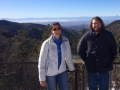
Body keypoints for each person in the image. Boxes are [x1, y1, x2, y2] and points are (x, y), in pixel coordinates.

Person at [77, 16, 117, 90]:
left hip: (104, 70)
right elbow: (80, 49)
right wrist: (86, 60)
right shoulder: (86, 36)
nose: (96, 25)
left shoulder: (108, 35)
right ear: (91, 25)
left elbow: (114, 49)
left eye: (98, 23)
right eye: (94, 23)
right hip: (91, 70)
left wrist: (110, 60)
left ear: (101, 24)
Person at [38, 22, 75, 90]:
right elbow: (42, 61)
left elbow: (68, 56)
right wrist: (42, 78)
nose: (57, 30)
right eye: (54, 29)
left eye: (58, 28)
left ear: (61, 29)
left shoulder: (65, 41)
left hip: (62, 71)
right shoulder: (46, 44)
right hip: (50, 74)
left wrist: (71, 67)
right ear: (52, 31)